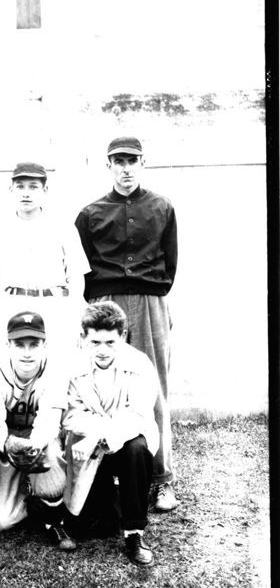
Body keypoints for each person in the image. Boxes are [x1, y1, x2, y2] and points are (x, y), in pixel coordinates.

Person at [74, 136, 179, 514]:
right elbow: (83, 267)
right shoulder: (91, 213)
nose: (126, 168)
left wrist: (149, 296)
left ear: (142, 162)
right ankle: (102, 478)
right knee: (99, 386)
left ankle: (161, 479)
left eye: (132, 160)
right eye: (118, 161)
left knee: (155, 387)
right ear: (109, 166)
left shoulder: (162, 207)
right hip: (105, 302)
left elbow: (170, 263)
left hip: (149, 300)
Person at [63, 301, 160, 565]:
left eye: (110, 342)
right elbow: (70, 415)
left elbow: (138, 415)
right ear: (84, 338)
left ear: (122, 337)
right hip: (88, 447)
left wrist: (100, 434)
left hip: (127, 441)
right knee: (97, 524)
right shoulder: (73, 365)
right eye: (95, 342)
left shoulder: (139, 363)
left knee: (137, 449)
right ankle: (106, 503)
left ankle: (134, 532)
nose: (102, 350)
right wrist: (94, 435)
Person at [0, 310, 75, 551]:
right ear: (8, 344)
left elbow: (50, 419)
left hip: (38, 437)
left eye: (34, 344)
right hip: (7, 437)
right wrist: (5, 445)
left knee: (51, 469)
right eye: (20, 344)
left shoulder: (56, 369)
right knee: (0, 521)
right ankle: (25, 496)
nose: (27, 352)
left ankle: (54, 518)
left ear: (45, 345)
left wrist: (34, 446)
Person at [0, 162, 89, 356]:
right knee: (14, 363)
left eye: (33, 187)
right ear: (11, 189)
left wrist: (73, 314)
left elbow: (76, 276)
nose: (26, 193)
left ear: (45, 190)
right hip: (11, 304)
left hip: (53, 305)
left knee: (57, 362)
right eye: (20, 187)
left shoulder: (63, 227)